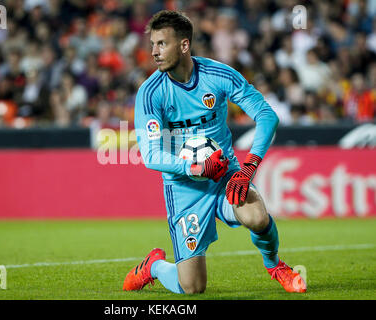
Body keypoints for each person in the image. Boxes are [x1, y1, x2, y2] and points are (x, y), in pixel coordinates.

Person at [123, 10, 306, 294]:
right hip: (184, 188)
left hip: (225, 176)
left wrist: (247, 170)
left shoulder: (218, 75)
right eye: (153, 45)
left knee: (257, 215)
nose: (154, 52)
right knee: (193, 288)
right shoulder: (151, 93)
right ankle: (154, 266)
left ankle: (275, 266)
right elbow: (150, 155)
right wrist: (195, 168)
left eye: (162, 44)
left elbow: (267, 116)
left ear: (184, 45)